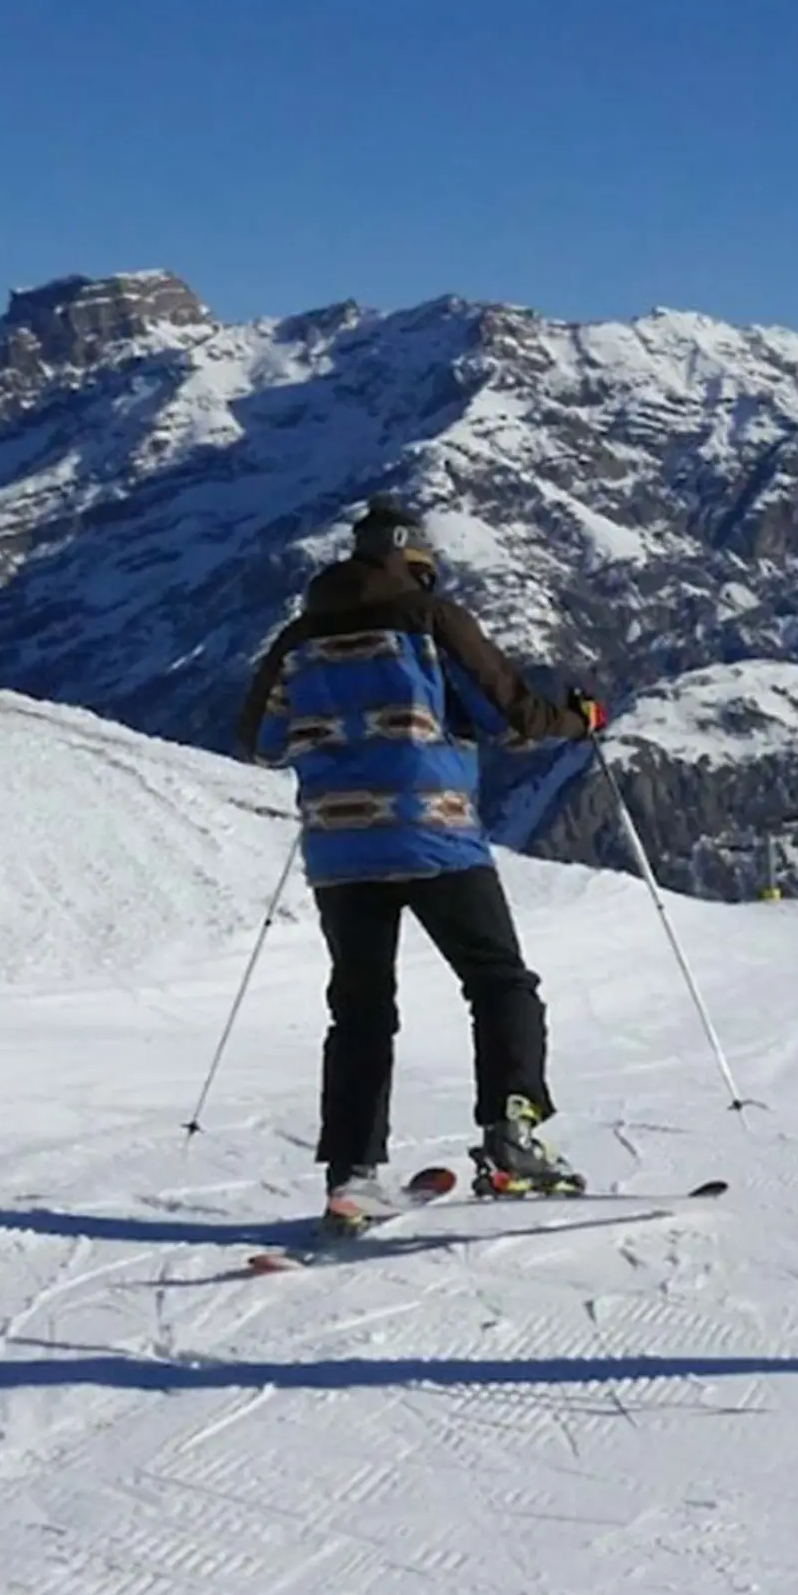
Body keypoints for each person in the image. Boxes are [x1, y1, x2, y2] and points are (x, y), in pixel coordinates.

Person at [234, 500, 598, 1224]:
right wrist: (577, 720)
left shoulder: (296, 638)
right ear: (418, 563)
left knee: (361, 1011)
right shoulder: (432, 619)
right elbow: (512, 717)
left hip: (339, 850)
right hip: (436, 836)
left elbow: (261, 741)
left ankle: (353, 1172)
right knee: (498, 983)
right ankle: (511, 1140)